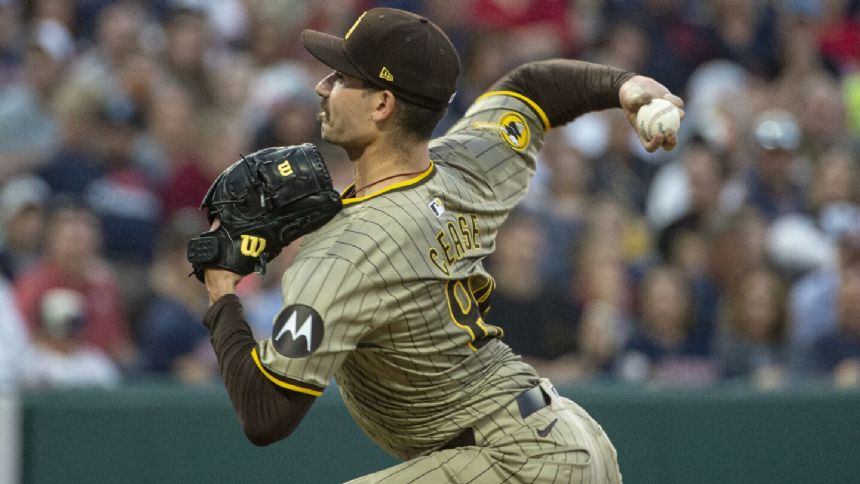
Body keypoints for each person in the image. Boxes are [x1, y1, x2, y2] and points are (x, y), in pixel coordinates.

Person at [199, 7, 681, 483]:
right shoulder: (468, 164)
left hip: (515, 462)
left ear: (382, 104)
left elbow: (266, 415)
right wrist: (623, 84)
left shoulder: (344, 253)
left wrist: (222, 291)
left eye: (343, 78)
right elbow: (530, 89)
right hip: (572, 437)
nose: (323, 86)